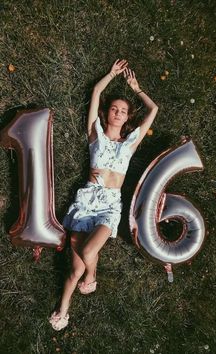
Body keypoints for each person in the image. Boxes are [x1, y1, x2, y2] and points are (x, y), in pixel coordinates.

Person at [49, 59, 158, 331]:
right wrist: (111, 74)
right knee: (74, 271)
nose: (119, 112)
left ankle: (92, 273)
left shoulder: (131, 142)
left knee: (87, 250)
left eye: (123, 110)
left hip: (110, 205)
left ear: (127, 117)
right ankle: (63, 309)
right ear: (107, 113)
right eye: (114, 109)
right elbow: (96, 94)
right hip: (86, 202)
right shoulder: (94, 134)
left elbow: (153, 109)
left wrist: (137, 88)